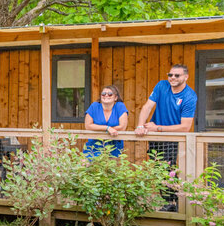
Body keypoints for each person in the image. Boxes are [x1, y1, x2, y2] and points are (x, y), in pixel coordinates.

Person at [134, 64, 196, 209]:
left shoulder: (189, 96)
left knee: (168, 170)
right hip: (156, 138)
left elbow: (185, 126)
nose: (172, 78)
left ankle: (172, 203)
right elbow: (147, 107)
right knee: (158, 168)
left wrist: (158, 128)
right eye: (170, 75)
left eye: (177, 75)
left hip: (174, 138)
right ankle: (171, 202)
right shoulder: (162, 85)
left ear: (186, 77)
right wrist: (140, 125)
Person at [83, 85, 128, 158]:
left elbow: (122, 127)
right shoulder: (94, 106)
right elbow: (88, 126)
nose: (106, 95)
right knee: (86, 165)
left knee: (110, 167)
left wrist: (102, 128)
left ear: (115, 97)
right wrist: (107, 128)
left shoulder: (120, 106)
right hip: (94, 143)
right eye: (103, 94)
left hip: (114, 143)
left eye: (110, 94)